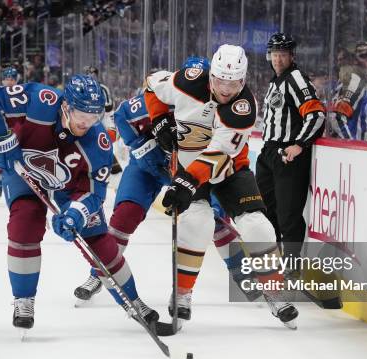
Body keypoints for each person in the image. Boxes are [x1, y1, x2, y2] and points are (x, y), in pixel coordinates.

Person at [0, 75, 160, 333]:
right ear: (66, 106)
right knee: (24, 223)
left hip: (69, 186)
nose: (86, 123)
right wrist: (0, 139)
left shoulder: (98, 143)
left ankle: (133, 301)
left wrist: (76, 214)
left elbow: (94, 192)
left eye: (93, 117)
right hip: (23, 171)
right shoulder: (39, 99)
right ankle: (24, 300)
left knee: (99, 242)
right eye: (81, 114)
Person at [73, 57, 262, 314]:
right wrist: (148, 147)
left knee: (213, 218)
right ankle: (99, 273)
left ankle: (241, 272)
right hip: (148, 168)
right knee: (125, 215)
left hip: (187, 170)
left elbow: (223, 148)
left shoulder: (216, 108)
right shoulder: (170, 92)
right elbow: (122, 115)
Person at [145, 44, 298, 329]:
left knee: (258, 226)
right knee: (197, 222)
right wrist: (158, 121)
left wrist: (185, 184)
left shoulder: (244, 108)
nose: (226, 90)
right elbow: (152, 85)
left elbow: (217, 155)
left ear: (244, 81)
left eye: (234, 83)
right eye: (220, 81)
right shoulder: (187, 80)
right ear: (210, 75)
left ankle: (274, 290)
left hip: (228, 169)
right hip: (190, 165)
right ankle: (181, 294)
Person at [255, 32, 325, 273]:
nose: (278, 59)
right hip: (268, 154)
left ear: (291, 56)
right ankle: (274, 262)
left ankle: (292, 266)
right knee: (266, 212)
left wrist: (299, 145)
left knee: (288, 216)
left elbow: (316, 114)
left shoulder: (296, 79)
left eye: (283, 54)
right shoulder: (276, 81)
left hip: (288, 156)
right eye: (274, 54)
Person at [0, 66, 21, 204]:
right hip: (2, 134)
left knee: (20, 164)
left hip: (18, 134)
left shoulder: (21, 94)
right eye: (7, 79)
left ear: (16, 81)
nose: (9, 82)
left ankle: (19, 190)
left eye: (12, 79)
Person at [84, 65, 122, 174]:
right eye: (89, 73)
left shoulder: (103, 88)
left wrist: (94, 105)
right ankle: (105, 166)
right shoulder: (82, 88)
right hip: (92, 120)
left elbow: (109, 106)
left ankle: (112, 167)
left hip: (106, 119)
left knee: (103, 141)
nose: (91, 76)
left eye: (93, 73)